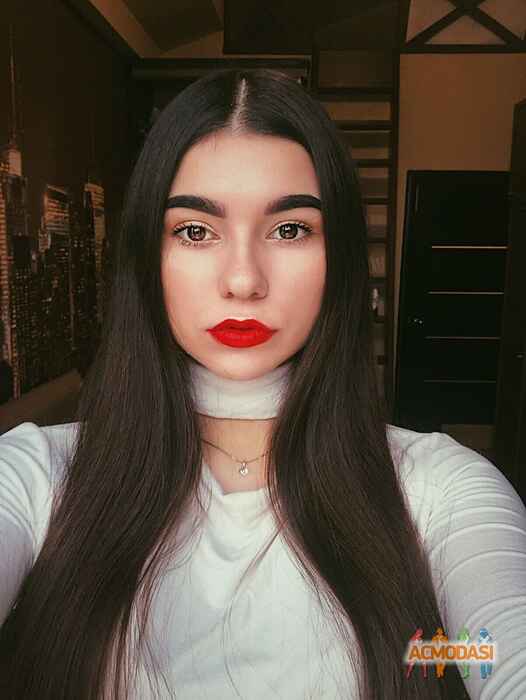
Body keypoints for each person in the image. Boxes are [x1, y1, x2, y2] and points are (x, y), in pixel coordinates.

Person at [0, 67, 525, 700]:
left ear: (340, 258)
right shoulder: (38, 475)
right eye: (196, 231)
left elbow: (501, 653)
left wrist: (457, 656)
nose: (244, 280)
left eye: (290, 229)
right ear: (147, 257)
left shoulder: (437, 486)